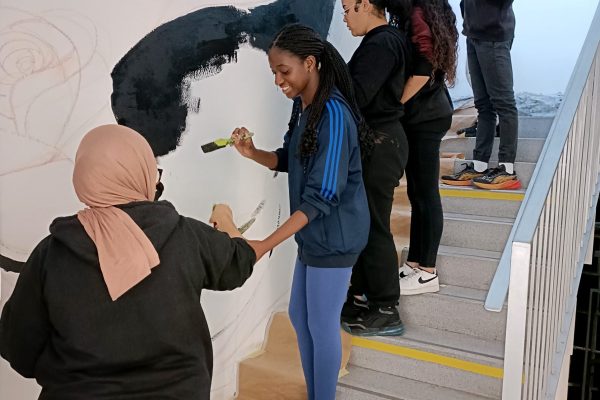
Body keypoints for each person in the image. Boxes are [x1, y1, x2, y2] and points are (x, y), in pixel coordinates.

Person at [0, 124, 261, 400]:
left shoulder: (51, 254)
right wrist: (227, 219)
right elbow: (239, 263)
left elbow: (18, 350)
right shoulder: (186, 236)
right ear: (144, 174)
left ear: (85, 177)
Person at [228, 23, 370, 400]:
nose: (278, 80)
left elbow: (323, 195)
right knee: (299, 316)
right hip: (313, 234)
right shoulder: (304, 107)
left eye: (283, 70)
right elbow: (290, 158)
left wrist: (264, 244)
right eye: (273, 72)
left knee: (322, 326)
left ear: (310, 63)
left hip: (335, 234)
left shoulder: (335, 114)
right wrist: (252, 152)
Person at [339, 0, 411, 336]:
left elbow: (358, 95)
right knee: (365, 223)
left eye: (347, 9)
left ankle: (386, 308)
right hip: (378, 142)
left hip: (380, 144)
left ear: (365, 3)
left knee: (374, 224)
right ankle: (365, 297)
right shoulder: (382, 41)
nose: (344, 17)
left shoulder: (382, 42)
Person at [397, 0, 458, 295]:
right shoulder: (426, 11)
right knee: (417, 193)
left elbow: (423, 68)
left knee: (426, 195)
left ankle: (427, 273)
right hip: (427, 113)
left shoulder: (419, 12)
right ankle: (414, 263)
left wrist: (394, 104)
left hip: (426, 116)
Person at [441, 0, 521, 190]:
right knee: (484, 106)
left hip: (494, 35)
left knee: (504, 103)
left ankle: (507, 169)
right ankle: (479, 165)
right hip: (474, 33)